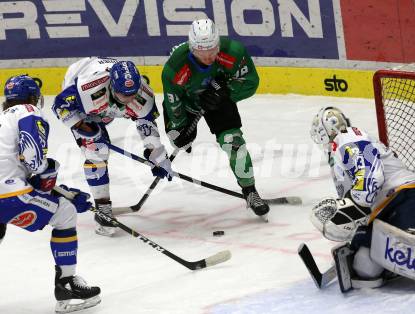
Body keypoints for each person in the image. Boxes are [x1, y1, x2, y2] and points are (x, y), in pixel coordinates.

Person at [309, 106, 415, 289]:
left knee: (414, 243)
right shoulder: (340, 160)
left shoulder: (348, 137)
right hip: (384, 215)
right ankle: (399, 259)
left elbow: (371, 176)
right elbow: (362, 199)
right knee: (365, 268)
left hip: (406, 198)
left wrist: (349, 209)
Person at [0, 75, 101, 313]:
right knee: (65, 213)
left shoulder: (3, 119)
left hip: (7, 188)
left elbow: (26, 173)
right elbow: (35, 162)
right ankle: (67, 286)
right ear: (34, 97)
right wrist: (53, 177)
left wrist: (59, 189)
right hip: (7, 193)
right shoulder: (28, 111)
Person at [52, 57, 173, 237]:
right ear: (111, 85)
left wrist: (158, 156)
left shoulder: (143, 95)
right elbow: (60, 106)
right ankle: (103, 209)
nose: (128, 99)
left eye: (132, 94)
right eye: (123, 94)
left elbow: (147, 127)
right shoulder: (87, 88)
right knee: (97, 151)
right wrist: (83, 127)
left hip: (103, 107)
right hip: (82, 95)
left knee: (106, 123)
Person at [161, 18, 269, 218]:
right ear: (192, 48)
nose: (209, 56)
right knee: (180, 139)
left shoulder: (233, 52)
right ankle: (182, 137)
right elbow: (173, 102)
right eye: (203, 52)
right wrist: (180, 127)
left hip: (220, 98)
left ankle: (250, 190)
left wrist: (225, 93)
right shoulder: (175, 67)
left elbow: (250, 83)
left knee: (233, 141)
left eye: (213, 49)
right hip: (188, 102)